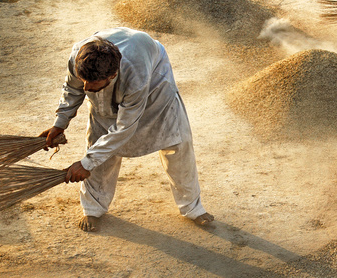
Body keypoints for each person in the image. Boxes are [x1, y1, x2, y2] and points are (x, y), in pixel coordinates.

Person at [41, 28, 214, 232]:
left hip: (155, 92)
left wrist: (86, 163)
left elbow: (125, 127)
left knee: (177, 145)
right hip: (114, 91)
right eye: (84, 80)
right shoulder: (78, 56)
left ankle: (192, 207)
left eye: (92, 83)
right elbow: (72, 88)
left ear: (113, 75)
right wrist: (60, 122)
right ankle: (93, 208)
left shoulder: (136, 72)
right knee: (99, 145)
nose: (86, 87)